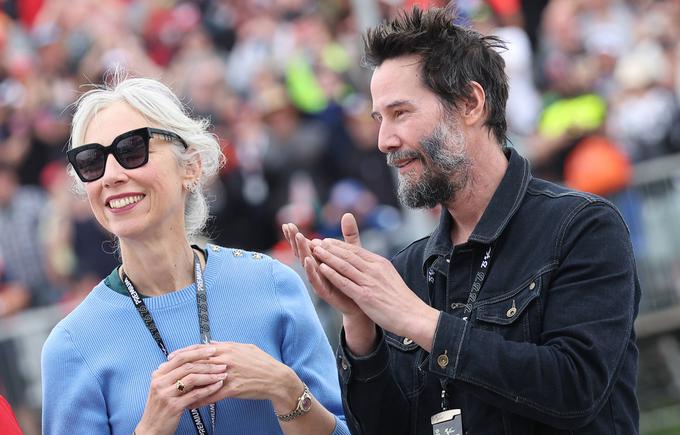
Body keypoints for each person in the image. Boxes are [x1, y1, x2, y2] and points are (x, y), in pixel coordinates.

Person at [283, 6, 640, 434]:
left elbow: (576, 389)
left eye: (401, 113)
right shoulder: (407, 271)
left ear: (470, 103)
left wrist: (420, 321)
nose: (384, 141)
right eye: (380, 119)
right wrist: (362, 326)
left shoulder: (581, 227)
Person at [41, 76, 350, 435]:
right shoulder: (72, 345)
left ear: (190, 167)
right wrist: (151, 428)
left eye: (131, 151)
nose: (111, 175)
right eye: (92, 161)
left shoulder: (272, 283)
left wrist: (285, 389)